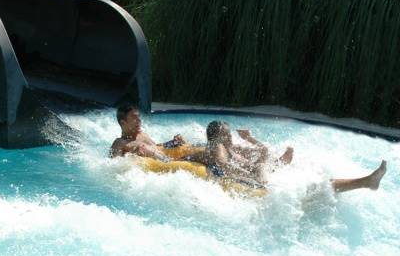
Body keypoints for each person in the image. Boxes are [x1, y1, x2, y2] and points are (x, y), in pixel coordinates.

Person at [202, 120, 386, 193]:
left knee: (267, 155)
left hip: (259, 173)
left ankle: (279, 163)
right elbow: (221, 164)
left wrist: (250, 139)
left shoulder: (230, 147)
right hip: (258, 179)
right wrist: (249, 172)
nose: (230, 136)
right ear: (219, 136)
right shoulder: (218, 146)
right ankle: (366, 182)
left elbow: (262, 150)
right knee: (314, 186)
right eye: (227, 134)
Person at [110, 104, 185, 160]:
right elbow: (114, 168)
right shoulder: (119, 143)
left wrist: (173, 142)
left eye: (138, 117)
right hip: (165, 164)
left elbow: (156, 147)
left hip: (168, 159)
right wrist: (134, 157)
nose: (139, 120)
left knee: (195, 151)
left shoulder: (142, 135)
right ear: (123, 123)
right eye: (134, 117)